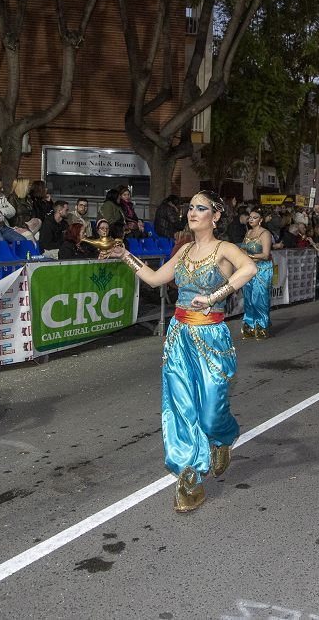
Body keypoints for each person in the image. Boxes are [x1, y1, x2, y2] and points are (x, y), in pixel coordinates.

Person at [104, 190, 256, 512]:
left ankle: (223, 438)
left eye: (201, 208)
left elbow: (249, 269)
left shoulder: (224, 249)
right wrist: (124, 256)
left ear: (215, 216)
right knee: (182, 409)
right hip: (179, 336)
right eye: (190, 208)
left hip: (211, 338)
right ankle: (189, 475)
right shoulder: (185, 250)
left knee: (212, 413)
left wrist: (215, 296)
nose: (192, 212)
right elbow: (155, 278)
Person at [238, 209, 273, 339]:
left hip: (262, 269)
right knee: (248, 298)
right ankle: (250, 325)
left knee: (259, 298)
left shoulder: (265, 233)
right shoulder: (248, 233)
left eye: (255, 217)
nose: (251, 219)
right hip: (248, 268)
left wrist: (248, 256)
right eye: (250, 217)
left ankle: (262, 325)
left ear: (261, 220)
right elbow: (242, 249)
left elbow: (265, 254)